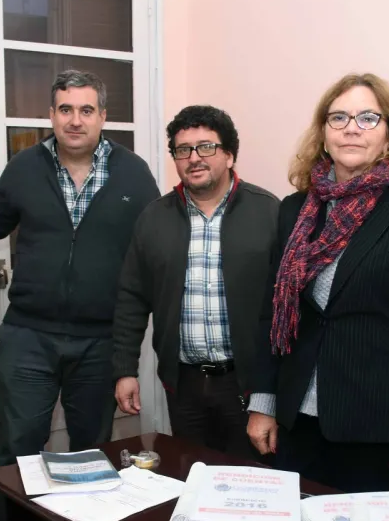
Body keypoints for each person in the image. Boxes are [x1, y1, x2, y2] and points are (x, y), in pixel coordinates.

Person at [0, 70, 160, 521]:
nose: (75, 120)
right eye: (65, 109)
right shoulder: (24, 167)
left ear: (103, 117)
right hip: (29, 335)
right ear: (51, 115)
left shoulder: (134, 173)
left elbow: (156, 244)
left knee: (91, 455)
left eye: (86, 110)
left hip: (99, 342)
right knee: (19, 453)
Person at [246, 73, 389, 493]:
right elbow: (274, 315)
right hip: (295, 419)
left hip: (374, 425)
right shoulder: (295, 209)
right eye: (339, 117)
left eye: (367, 118)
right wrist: (263, 403)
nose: (351, 128)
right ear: (324, 134)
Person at [113, 106, 278, 457]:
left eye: (206, 147)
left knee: (249, 479)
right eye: (183, 150)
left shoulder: (268, 212)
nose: (194, 158)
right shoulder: (154, 218)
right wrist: (125, 370)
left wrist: (271, 391)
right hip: (184, 385)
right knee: (191, 472)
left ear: (229, 155)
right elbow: (131, 298)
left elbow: (286, 306)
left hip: (247, 384)